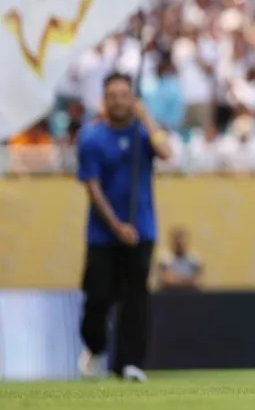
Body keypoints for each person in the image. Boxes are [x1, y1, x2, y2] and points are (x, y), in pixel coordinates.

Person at [76, 73, 173, 382]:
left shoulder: (142, 133)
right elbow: (93, 188)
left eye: (124, 95)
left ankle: (130, 363)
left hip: (142, 230)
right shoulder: (91, 138)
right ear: (104, 101)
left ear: (132, 99)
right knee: (98, 297)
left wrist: (147, 119)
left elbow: (167, 153)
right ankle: (96, 346)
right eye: (112, 95)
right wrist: (117, 227)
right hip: (103, 235)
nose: (119, 101)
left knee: (135, 299)